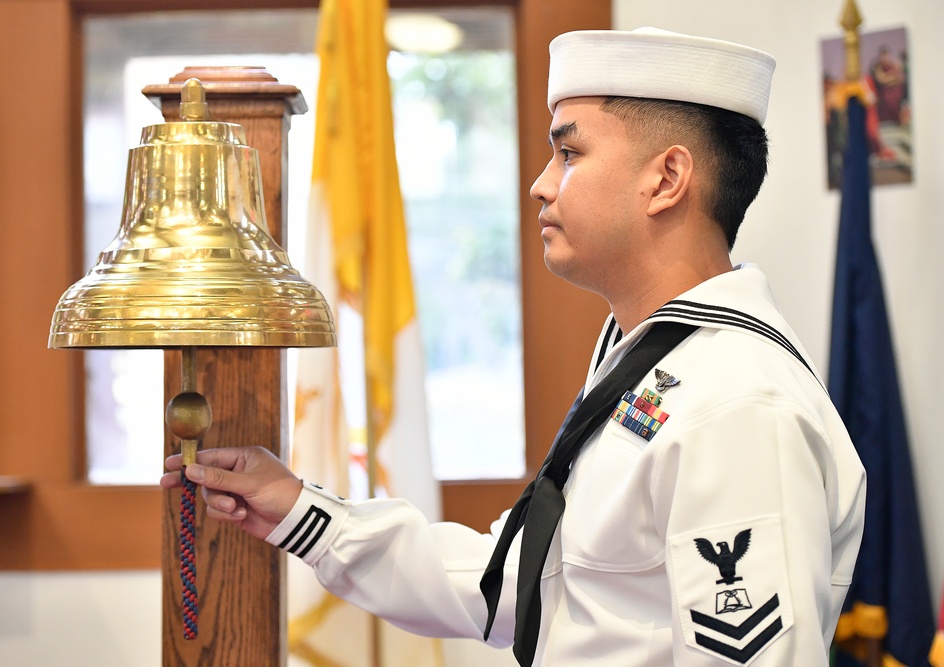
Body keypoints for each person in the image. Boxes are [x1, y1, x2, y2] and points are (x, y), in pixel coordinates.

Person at [162, 27, 866, 665]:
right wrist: (297, 508)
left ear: (667, 178)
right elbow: (514, 581)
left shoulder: (736, 404)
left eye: (569, 152)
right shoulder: (656, 363)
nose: (540, 183)